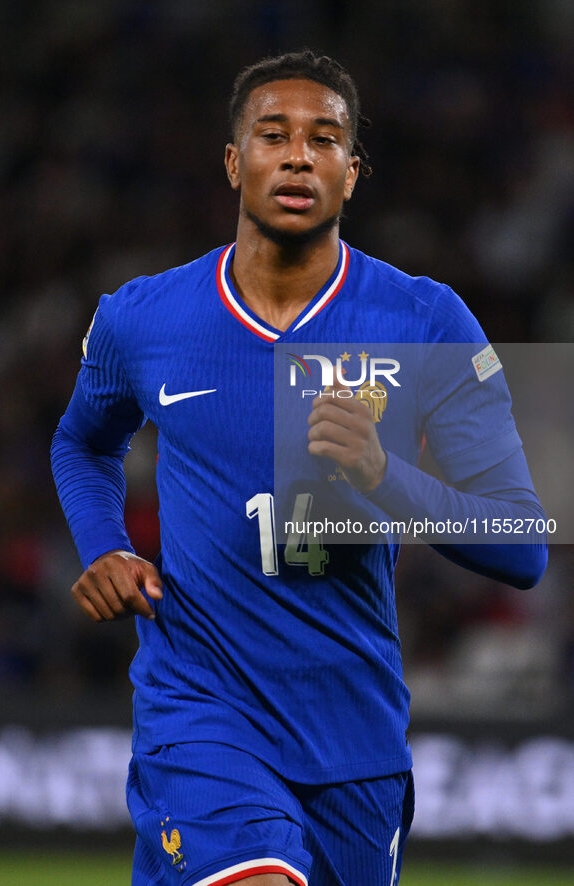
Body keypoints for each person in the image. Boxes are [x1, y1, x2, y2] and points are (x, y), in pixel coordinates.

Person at [51, 50, 547, 886]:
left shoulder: (425, 321)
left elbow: (520, 546)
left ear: (350, 174)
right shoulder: (142, 317)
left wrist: (382, 474)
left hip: (354, 737)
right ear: (233, 160)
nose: (297, 155)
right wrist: (105, 543)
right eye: (272, 134)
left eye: (324, 139)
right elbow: (82, 441)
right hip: (201, 707)